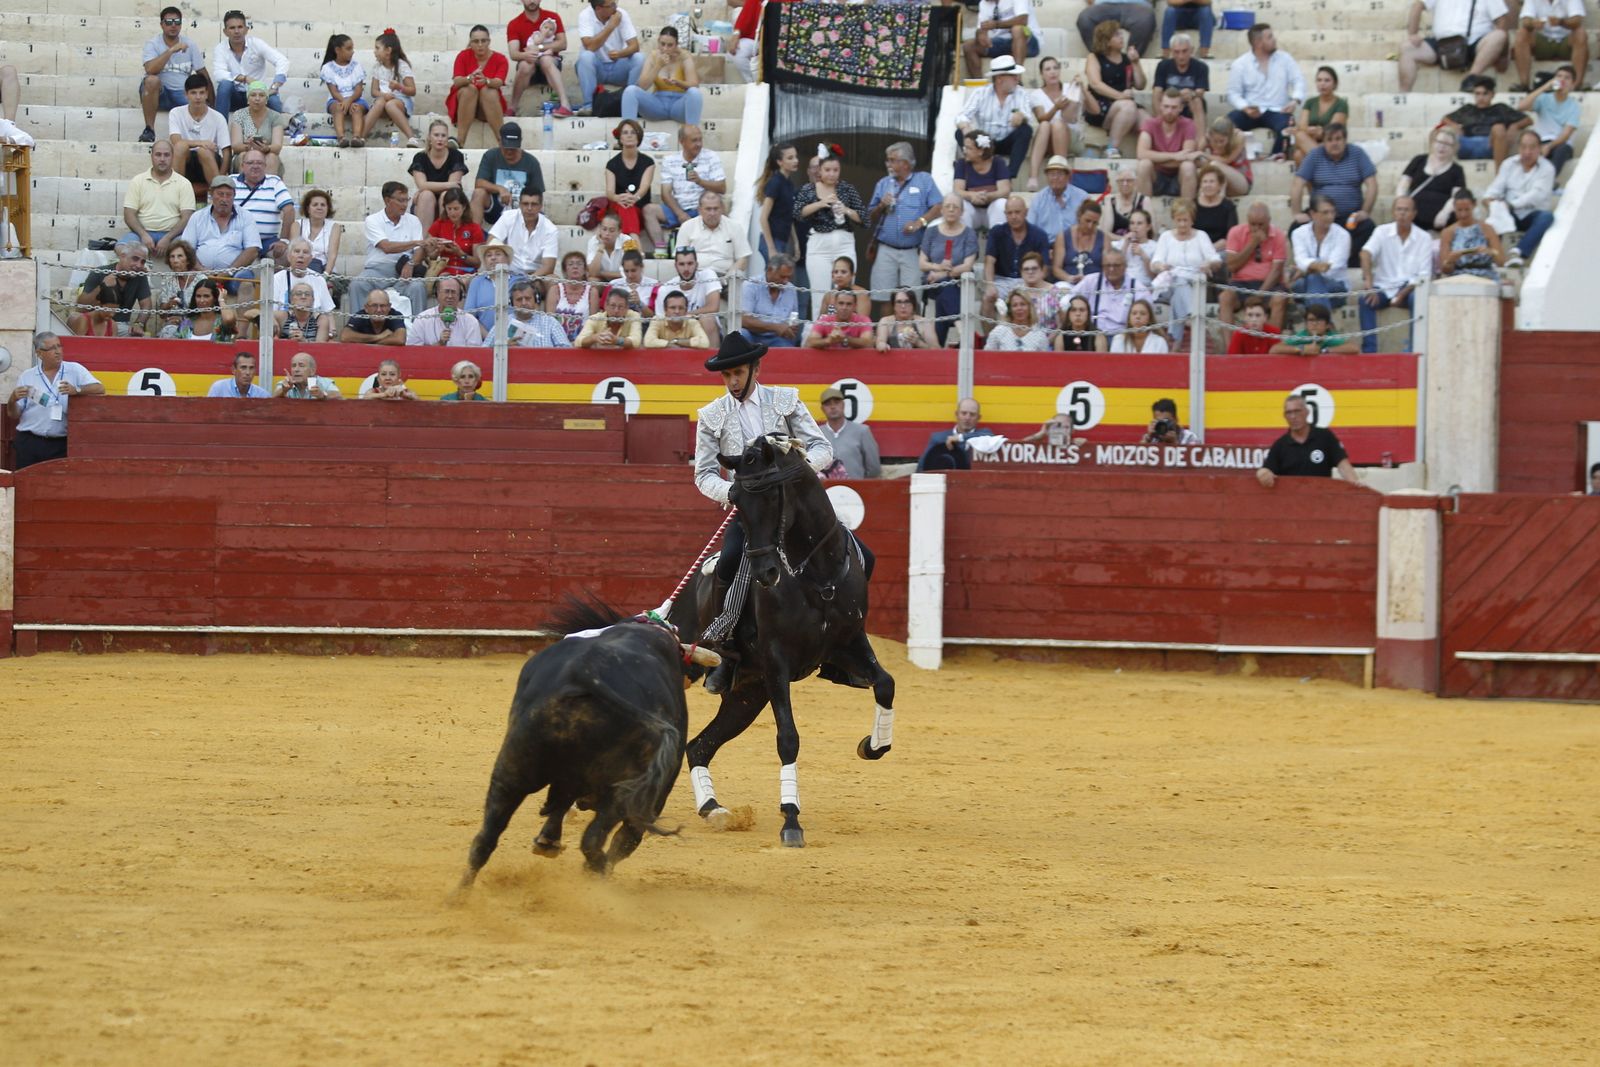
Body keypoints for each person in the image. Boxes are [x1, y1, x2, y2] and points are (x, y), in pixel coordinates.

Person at [693, 332, 833, 691]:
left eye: (738, 373)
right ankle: (726, 649)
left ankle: (845, 641)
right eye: (726, 376)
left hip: (798, 509)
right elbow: (704, 474)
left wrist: (797, 476)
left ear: (755, 368)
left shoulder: (786, 401)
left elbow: (821, 448)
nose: (733, 382)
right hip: (752, 514)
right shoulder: (711, 416)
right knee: (729, 562)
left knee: (858, 555)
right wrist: (735, 493)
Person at [5, 333, 105, 468]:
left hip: (60, 442)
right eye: (52, 348)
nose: (58, 351)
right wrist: (12, 399)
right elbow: (14, 414)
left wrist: (77, 390)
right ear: (39, 354)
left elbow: (99, 388)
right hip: (29, 441)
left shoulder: (74, 369)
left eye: (59, 346)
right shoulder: (27, 376)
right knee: (28, 484)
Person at [867, 143, 942, 316]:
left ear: (906, 163)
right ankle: (887, 338)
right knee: (885, 297)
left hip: (913, 250)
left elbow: (938, 206)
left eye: (893, 160)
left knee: (912, 297)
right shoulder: (883, 183)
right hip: (886, 249)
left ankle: (911, 338)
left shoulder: (924, 180)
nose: (888, 164)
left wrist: (920, 222)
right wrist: (880, 205)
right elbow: (868, 218)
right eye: (888, 160)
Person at [793, 145, 866, 319]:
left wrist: (846, 209)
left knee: (845, 293)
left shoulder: (847, 189)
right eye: (827, 170)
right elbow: (797, 212)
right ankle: (819, 331)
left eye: (835, 170)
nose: (832, 174)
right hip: (819, 243)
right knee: (819, 294)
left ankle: (846, 331)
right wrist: (821, 203)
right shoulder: (809, 189)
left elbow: (864, 218)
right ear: (820, 170)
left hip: (844, 242)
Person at [1290, 124, 1377, 264]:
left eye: (1338, 139)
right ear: (1324, 141)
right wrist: (1297, 212)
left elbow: (1372, 184)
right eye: (1329, 139)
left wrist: (1365, 211)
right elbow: (1298, 183)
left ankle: (1347, 263)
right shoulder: (1315, 155)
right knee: (1296, 227)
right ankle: (1312, 264)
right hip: (1320, 215)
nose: (1334, 143)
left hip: (1350, 217)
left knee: (1368, 227)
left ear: (1345, 140)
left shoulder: (1358, 154)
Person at [1358, 197, 1432, 353]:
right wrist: (1369, 283)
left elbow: (1424, 275)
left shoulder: (1424, 238)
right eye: (1399, 209)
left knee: (1416, 299)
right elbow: (1365, 253)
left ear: (1414, 213)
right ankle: (1369, 352)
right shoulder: (1381, 231)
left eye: (1406, 210)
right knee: (1365, 300)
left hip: (1410, 289)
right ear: (1393, 212)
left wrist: (1402, 294)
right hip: (1384, 287)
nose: (1402, 214)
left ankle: (1414, 349)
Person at [352, 181, 433, 318]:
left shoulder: (413, 220)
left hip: (404, 270)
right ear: (387, 200)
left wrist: (411, 263)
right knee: (357, 285)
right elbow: (386, 247)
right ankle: (357, 327)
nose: (404, 205)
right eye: (400, 200)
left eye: (406, 200)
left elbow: (419, 250)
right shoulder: (373, 220)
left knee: (418, 287)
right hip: (377, 271)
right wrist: (416, 242)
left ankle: (419, 332)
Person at [1225, 24, 1305, 158]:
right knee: (1226, 124)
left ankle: (1277, 157)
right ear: (1258, 43)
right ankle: (1228, 157)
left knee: (1286, 127)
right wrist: (1245, 108)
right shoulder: (1240, 64)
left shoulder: (1285, 59)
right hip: (1251, 110)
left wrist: (1295, 100)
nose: (1274, 40)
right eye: (1270, 37)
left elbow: (1299, 81)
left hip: (1278, 110)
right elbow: (1233, 93)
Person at [1399, 0, 1511, 93]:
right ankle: (1404, 94)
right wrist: (1413, 34)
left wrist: (1503, 54)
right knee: (1407, 48)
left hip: (1473, 44)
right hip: (1441, 44)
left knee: (1499, 35)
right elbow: (1417, 5)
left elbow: (1502, 20)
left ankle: (1472, 77)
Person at [1151, 198, 1220, 345]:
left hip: (1195, 283)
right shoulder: (1166, 237)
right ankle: (1192, 314)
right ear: (1173, 220)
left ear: (1192, 220)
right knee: (1179, 282)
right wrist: (1161, 266)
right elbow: (1155, 263)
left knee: (1179, 296)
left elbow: (1216, 259)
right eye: (1179, 220)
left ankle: (1175, 340)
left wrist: (1208, 263)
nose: (1182, 224)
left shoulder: (1201, 236)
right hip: (1171, 283)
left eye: (1185, 220)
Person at [1485, 129, 1557, 266]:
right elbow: (1496, 188)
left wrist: (1510, 205)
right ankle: (1494, 256)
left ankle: (1518, 252)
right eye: (1523, 147)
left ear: (1540, 148)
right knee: (1496, 209)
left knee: (1547, 217)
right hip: (1509, 212)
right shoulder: (1508, 164)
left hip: (1532, 213)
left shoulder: (1547, 168)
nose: (1527, 152)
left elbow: (1535, 196)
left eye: (1532, 147)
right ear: (1518, 148)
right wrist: (1489, 200)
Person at [1256, 392, 1358, 485]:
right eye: (1289, 413)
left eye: (1297, 411)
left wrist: (1356, 484)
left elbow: (1343, 465)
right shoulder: (1280, 445)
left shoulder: (1325, 436)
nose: (1293, 416)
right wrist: (1263, 474)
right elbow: (1267, 470)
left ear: (1307, 412)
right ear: (1284, 416)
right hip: (1292, 503)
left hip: (1322, 501)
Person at [957, 56, 1034, 177]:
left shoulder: (1021, 93)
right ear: (999, 79)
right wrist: (966, 128)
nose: (1017, 79)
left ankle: (1009, 174)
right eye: (1013, 76)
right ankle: (978, 168)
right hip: (985, 142)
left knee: (1025, 130)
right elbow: (962, 116)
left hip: (1008, 141)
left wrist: (1021, 117)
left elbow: (1028, 116)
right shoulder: (981, 93)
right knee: (959, 132)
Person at [139, 7, 207, 144]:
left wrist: (212, 101)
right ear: (161, 24)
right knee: (151, 81)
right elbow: (150, 69)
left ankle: (199, 137)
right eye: (169, 22)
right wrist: (171, 51)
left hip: (182, 95)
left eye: (177, 22)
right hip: (160, 94)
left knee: (197, 95)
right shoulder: (153, 44)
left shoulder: (190, 44)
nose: (173, 25)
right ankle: (149, 130)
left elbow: (203, 73)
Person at [1218, 201, 1288, 328]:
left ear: (1269, 221)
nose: (1256, 228)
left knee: (1279, 299)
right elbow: (1232, 266)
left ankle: (1271, 346)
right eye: (1253, 224)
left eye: (1261, 224)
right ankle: (1230, 348)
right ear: (1247, 221)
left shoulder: (1278, 235)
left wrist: (1260, 295)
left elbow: (1277, 271)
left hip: (1269, 284)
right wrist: (1253, 243)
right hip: (1241, 283)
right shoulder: (1235, 232)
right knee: (1225, 297)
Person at [920, 194, 979, 345]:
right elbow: (922, 264)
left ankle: (938, 346)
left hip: (959, 283)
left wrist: (941, 274)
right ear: (942, 210)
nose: (951, 210)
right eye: (947, 206)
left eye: (956, 207)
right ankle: (962, 329)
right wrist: (938, 267)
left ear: (962, 211)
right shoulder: (931, 232)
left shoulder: (969, 233)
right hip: (932, 282)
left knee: (945, 290)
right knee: (945, 287)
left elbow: (967, 266)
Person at [1083, 22, 1147, 158]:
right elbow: (1096, 84)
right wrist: (1120, 96)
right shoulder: (1094, 57)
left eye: (1121, 34)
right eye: (1117, 34)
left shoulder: (1126, 59)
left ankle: (1146, 154)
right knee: (1129, 106)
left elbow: (1141, 85)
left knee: (1148, 121)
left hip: (1123, 103)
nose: (1121, 37)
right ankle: (1111, 148)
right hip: (1100, 106)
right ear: (1106, 40)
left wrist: (1136, 63)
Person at [179, 175, 261, 280]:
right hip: (200, 274)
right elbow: (186, 248)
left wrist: (229, 272)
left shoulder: (246, 216)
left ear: (234, 196)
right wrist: (201, 269)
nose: (224, 199)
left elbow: (252, 249)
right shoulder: (197, 217)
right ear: (211, 194)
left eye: (228, 195)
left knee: (246, 280)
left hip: (234, 274)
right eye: (220, 194)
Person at [123, 142, 192, 260]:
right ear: (151, 156)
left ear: (172, 157)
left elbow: (187, 217)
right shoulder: (138, 181)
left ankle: (178, 279)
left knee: (186, 251)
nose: (162, 159)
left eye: (166, 155)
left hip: (174, 235)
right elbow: (128, 214)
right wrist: (143, 235)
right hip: (142, 233)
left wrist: (168, 238)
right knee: (121, 249)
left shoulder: (184, 183)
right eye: (158, 155)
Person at [211, 10, 288, 115]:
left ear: (246, 29)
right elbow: (219, 73)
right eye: (232, 28)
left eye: (240, 27)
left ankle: (276, 129)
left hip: (257, 94)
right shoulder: (220, 48)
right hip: (236, 96)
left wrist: (275, 86)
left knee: (274, 102)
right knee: (224, 85)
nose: (237, 31)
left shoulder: (256, 44)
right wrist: (244, 78)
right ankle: (221, 128)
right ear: (225, 31)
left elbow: (282, 60)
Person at [575, 0, 645, 115]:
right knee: (585, 57)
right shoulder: (585, 15)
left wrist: (620, 54)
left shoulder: (621, 14)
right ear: (598, 8)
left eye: (615, 3)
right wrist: (611, 26)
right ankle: (589, 105)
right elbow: (590, 47)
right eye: (611, 5)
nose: (615, 7)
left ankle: (630, 102)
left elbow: (635, 46)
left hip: (618, 66)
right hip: (597, 69)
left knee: (639, 58)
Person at [986, 196, 1053, 315]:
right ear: (1005, 214)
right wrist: (990, 285)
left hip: (1028, 280)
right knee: (988, 298)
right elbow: (989, 261)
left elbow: (1045, 267)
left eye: (1017, 212)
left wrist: (1032, 283)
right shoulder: (996, 232)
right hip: (1002, 281)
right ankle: (990, 334)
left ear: (1026, 212)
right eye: (1009, 213)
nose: (1013, 216)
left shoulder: (1039, 235)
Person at [623, 26, 702, 126]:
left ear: (676, 45)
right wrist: (658, 66)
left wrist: (678, 83)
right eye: (662, 44)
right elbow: (642, 86)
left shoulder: (684, 56)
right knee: (630, 91)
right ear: (658, 42)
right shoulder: (653, 56)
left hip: (678, 104)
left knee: (694, 93)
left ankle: (693, 133)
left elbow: (694, 85)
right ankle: (628, 131)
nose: (665, 48)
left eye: (670, 45)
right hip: (657, 103)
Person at [1026, 58, 1086, 188]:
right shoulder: (1036, 94)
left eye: (1055, 68)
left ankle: (1061, 173)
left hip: (1071, 138)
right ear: (1041, 74)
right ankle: (1033, 176)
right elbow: (1041, 118)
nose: (1052, 72)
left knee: (1058, 124)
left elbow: (1093, 109)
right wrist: (1056, 107)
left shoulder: (1070, 88)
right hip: (1048, 141)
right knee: (1045, 125)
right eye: (1048, 69)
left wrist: (1083, 88)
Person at [508, 0, 573, 117]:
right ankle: (512, 107)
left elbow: (563, 44)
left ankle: (565, 105)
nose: (532, 1)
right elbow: (513, 53)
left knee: (546, 60)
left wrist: (539, 47)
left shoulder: (552, 18)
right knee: (525, 64)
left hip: (550, 63)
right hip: (529, 65)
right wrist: (525, 55)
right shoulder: (514, 24)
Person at [1397, 126, 1469, 231]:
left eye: (1447, 144)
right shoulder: (1419, 160)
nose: (1442, 147)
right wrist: (1402, 202)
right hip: (1413, 216)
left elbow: (1456, 196)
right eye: (1439, 142)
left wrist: (1444, 213)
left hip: (1441, 220)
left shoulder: (1457, 170)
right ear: (1433, 143)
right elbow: (1403, 184)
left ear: (1454, 148)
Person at [472, 123, 544, 228]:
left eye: (513, 148)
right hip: (496, 207)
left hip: (523, 208)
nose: (509, 152)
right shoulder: (490, 156)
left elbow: (538, 193)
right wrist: (499, 189)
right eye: (506, 148)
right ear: (499, 141)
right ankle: (474, 236)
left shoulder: (531, 162)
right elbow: (479, 182)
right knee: (478, 193)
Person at [657, 125, 728, 232]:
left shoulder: (711, 157)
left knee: (717, 207)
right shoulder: (669, 160)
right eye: (694, 141)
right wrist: (680, 214)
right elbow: (665, 194)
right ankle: (660, 247)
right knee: (649, 211)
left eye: (700, 139)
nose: (699, 144)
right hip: (678, 208)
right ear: (682, 141)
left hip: (703, 208)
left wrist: (700, 181)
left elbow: (722, 188)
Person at [1514, 65, 1580, 178]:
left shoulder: (1574, 106)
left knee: (1561, 150)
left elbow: (1566, 134)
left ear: (1573, 84)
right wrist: (1545, 87)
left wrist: (1549, 146)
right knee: (1529, 149)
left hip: (1559, 144)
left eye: (1567, 78)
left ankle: (1549, 181)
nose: (1562, 80)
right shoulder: (1544, 98)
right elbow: (1521, 106)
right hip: (1540, 142)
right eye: (1559, 76)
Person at [71, 246, 152, 337]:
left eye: (143, 262)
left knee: (142, 337)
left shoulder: (140, 276)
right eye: (135, 259)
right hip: (96, 322)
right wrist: (102, 286)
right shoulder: (100, 272)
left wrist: (139, 324)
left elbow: (146, 305)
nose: (139, 265)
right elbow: (81, 308)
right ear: (122, 256)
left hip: (122, 326)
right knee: (73, 318)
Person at [608, 119, 664, 252]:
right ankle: (636, 248)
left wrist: (635, 198)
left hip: (639, 205)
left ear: (638, 137)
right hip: (618, 206)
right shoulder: (612, 164)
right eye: (625, 132)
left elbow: (644, 186)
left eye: (633, 132)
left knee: (629, 207)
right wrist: (620, 198)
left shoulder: (648, 162)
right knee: (626, 207)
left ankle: (633, 247)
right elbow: (609, 192)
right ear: (620, 138)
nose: (629, 135)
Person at [232, 148, 293, 267]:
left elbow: (289, 210)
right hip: (236, 241)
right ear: (242, 166)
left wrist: (284, 240)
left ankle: (279, 286)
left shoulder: (274, 182)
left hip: (266, 241)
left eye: (259, 163)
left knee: (285, 256)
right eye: (250, 163)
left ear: (265, 166)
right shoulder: (231, 181)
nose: (255, 166)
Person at [1444, 76, 1525, 165]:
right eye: (1477, 94)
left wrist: (1515, 125)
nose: (1481, 98)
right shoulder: (1467, 109)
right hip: (1467, 144)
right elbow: (1445, 119)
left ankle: (1500, 175)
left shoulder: (1501, 108)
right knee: (1438, 133)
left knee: (1498, 128)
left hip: (1490, 144)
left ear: (1492, 94)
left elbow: (1528, 120)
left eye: (1485, 94)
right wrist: (1455, 126)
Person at [1288, 196, 1353, 308]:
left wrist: (1305, 270)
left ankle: (1312, 314)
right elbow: (1301, 260)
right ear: (1312, 214)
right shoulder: (1298, 233)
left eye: (1333, 212)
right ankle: (1321, 320)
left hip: (1336, 286)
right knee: (1303, 285)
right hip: (1305, 285)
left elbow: (1331, 269)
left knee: (1312, 282)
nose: (1330, 216)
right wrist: (1315, 266)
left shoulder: (1343, 235)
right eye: (1325, 213)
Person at [449, 26, 508, 147]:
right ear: (470, 43)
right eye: (476, 41)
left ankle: (503, 142)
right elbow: (457, 81)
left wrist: (486, 81)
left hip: (487, 105)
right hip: (465, 102)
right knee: (469, 89)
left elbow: (499, 82)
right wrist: (469, 78)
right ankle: (460, 141)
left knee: (489, 91)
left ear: (489, 42)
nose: (480, 45)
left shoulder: (500, 59)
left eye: (483, 41)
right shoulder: (463, 56)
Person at [1512, 0, 1588, 92]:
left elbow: (1577, 20)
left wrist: (1561, 22)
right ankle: (1524, 84)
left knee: (1580, 33)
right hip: (1542, 39)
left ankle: (1576, 85)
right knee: (1522, 34)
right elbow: (1526, 20)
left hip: (1566, 40)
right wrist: (1533, 23)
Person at [168, 72, 231, 184]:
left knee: (204, 151)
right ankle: (175, 190)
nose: (198, 97)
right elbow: (175, 141)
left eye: (201, 93)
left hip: (210, 160)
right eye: (193, 93)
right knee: (180, 147)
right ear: (186, 94)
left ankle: (217, 187)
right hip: (185, 160)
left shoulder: (218, 117)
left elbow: (226, 151)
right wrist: (201, 143)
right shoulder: (176, 113)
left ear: (207, 94)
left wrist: (222, 177)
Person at [1071, 247, 1149, 335]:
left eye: (1116, 265)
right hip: (1093, 335)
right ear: (1102, 266)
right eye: (1108, 265)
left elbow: (1148, 315)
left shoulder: (1137, 287)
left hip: (1124, 337)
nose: (1111, 269)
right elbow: (1069, 300)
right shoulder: (1091, 281)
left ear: (1125, 266)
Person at [1135, 92, 1199, 198]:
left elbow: (1187, 157)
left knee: (1188, 166)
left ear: (1181, 108)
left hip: (1179, 177)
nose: (1169, 111)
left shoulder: (1188, 124)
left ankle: (1187, 212)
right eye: (1166, 106)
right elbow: (1141, 153)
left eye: (1174, 107)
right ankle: (1144, 211)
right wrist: (1174, 156)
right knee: (1144, 165)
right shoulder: (1150, 124)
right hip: (1156, 177)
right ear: (1160, 106)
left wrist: (1156, 159)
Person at [410, 119, 469, 233]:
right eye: (436, 135)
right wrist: (448, 184)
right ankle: (424, 243)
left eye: (443, 135)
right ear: (429, 138)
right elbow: (422, 185)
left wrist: (427, 186)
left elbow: (453, 189)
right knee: (426, 195)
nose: (440, 139)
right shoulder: (420, 157)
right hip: (425, 201)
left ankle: (446, 239)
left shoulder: (456, 156)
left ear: (447, 138)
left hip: (448, 200)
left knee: (445, 195)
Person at [675, 191, 750, 280]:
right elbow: (679, 257)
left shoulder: (735, 227)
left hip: (725, 278)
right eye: (708, 209)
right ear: (699, 210)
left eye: (716, 208)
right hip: (695, 278)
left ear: (722, 208)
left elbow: (743, 258)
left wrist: (730, 276)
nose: (712, 213)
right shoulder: (687, 227)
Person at [487, 187, 560, 279]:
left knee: (553, 279)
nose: (529, 208)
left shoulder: (550, 229)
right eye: (525, 204)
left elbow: (548, 266)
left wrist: (527, 280)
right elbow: (491, 243)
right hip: (507, 273)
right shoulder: (508, 217)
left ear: (541, 206)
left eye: (534, 204)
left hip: (535, 276)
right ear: (520, 205)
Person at [362, 31, 418, 145]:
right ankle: (360, 137)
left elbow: (412, 90)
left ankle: (411, 138)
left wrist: (399, 87)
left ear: (388, 50)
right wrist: (384, 95)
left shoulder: (401, 65)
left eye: (377, 48)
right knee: (380, 102)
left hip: (400, 103)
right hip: (383, 101)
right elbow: (374, 91)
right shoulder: (377, 67)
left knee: (390, 104)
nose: (375, 51)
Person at [657, 247, 723, 343]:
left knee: (707, 318)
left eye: (690, 263)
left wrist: (686, 315)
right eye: (682, 264)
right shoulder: (665, 289)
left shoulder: (708, 275)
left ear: (697, 264)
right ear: (675, 266)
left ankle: (712, 358)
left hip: (705, 329)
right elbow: (660, 319)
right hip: (677, 331)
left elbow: (713, 307)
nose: (686, 269)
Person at [916, 397, 1000, 472]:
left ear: (978, 418)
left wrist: (961, 437)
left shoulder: (984, 435)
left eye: (972, 414)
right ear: (957, 414)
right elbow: (922, 466)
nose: (967, 418)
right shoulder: (938, 438)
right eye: (964, 413)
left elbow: (990, 436)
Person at [1438, 189, 1505, 281]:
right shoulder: (1448, 232)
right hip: (1458, 277)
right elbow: (1445, 269)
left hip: (1485, 276)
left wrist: (1491, 252)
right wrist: (1450, 260)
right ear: (1454, 208)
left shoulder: (1487, 229)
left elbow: (1501, 262)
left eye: (1467, 209)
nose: (1463, 214)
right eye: (1459, 210)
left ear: (1474, 205)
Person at [952, 131, 1013, 231]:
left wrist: (987, 196)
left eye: (969, 148)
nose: (964, 151)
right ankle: (965, 243)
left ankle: (998, 242)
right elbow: (957, 190)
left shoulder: (998, 162)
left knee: (1001, 203)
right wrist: (972, 195)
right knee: (961, 204)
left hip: (992, 211)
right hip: (973, 212)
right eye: (964, 147)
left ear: (981, 151)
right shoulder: (961, 164)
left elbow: (1005, 191)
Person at [964, 0, 1043, 77]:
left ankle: (1016, 78)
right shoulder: (984, 3)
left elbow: (1023, 20)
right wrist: (980, 35)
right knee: (969, 46)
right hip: (1002, 43)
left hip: (1029, 42)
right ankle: (979, 84)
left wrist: (996, 24)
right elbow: (980, 28)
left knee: (1017, 29)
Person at [818, 385, 882, 479]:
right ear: (822, 409)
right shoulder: (817, 433)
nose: (833, 407)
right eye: (828, 404)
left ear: (843, 405)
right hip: (824, 490)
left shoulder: (862, 431)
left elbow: (874, 469)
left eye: (836, 402)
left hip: (856, 490)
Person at [739, 255, 803, 348]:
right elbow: (743, 320)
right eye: (782, 276)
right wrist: (776, 327)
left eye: (789, 277)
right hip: (752, 334)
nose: (786, 281)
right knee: (742, 335)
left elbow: (793, 319)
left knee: (789, 349)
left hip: (777, 338)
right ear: (769, 270)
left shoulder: (791, 289)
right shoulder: (750, 285)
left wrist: (791, 328)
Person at [407, 275, 486, 347]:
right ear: (437, 294)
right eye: (446, 291)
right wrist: (439, 344)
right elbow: (413, 352)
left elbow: (474, 353)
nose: (450, 296)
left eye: (454, 292)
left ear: (460, 296)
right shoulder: (422, 319)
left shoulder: (470, 321)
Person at [229, 82, 289, 176]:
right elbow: (236, 146)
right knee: (244, 156)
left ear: (266, 99)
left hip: (267, 153)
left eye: (261, 95)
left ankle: (268, 189)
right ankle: (246, 189)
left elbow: (277, 146)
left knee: (272, 157)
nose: (257, 99)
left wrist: (266, 148)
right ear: (248, 99)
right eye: (253, 95)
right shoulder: (239, 115)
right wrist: (249, 146)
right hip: (245, 152)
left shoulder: (275, 116)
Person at [1293, 67, 1349, 166]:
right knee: (1299, 138)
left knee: (1299, 154)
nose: (1322, 84)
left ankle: (1323, 165)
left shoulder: (1341, 103)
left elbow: (1333, 131)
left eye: (1327, 80)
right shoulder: (1310, 102)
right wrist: (1316, 132)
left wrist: (1318, 132)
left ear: (1335, 84)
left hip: (1331, 143)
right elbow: (1302, 127)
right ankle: (1325, 165)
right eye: (1319, 80)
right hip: (1311, 142)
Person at [1153, 34, 1210, 132]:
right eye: (1177, 52)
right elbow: (1157, 91)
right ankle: (1161, 127)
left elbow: (1200, 92)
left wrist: (1191, 94)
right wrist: (1176, 97)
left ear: (1191, 50)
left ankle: (1199, 139)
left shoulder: (1201, 67)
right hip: (1170, 104)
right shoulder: (1163, 66)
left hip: (1189, 104)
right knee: (1157, 96)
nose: (1181, 56)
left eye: (1184, 51)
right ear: (1171, 51)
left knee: (1197, 101)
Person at [320, 34, 368, 148]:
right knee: (338, 108)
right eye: (348, 49)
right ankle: (341, 138)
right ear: (337, 50)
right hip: (336, 99)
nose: (352, 52)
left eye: (352, 48)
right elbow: (334, 92)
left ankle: (357, 137)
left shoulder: (356, 66)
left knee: (356, 109)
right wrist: (344, 102)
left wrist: (350, 101)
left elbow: (358, 90)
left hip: (356, 99)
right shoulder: (327, 68)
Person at [1026, 156, 1089, 240]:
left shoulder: (1082, 197)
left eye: (1060, 174)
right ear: (1047, 177)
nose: (1055, 178)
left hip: (1074, 245)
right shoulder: (1038, 199)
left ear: (1068, 176)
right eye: (1052, 174)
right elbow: (1030, 228)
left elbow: (1089, 227)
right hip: (1046, 245)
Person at [757, 141, 799, 260]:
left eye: (796, 157)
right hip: (773, 240)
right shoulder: (775, 182)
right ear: (780, 162)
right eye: (790, 158)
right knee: (774, 277)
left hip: (783, 240)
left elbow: (788, 216)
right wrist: (771, 248)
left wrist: (795, 243)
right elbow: (763, 218)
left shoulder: (789, 183)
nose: (795, 161)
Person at [427, 188, 484, 276]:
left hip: (466, 272)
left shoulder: (474, 228)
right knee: (445, 280)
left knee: (463, 281)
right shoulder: (438, 224)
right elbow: (429, 257)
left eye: (456, 208)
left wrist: (460, 253)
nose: (452, 212)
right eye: (449, 209)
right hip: (444, 270)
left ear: (464, 207)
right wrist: (437, 251)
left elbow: (477, 263)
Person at [274, 231, 335, 312]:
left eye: (305, 252)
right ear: (288, 256)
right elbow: (272, 313)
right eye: (297, 251)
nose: (301, 255)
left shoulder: (319, 279)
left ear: (310, 258)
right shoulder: (277, 279)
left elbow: (328, 312)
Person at [157, 278, 236, 340]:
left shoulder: (222, 320)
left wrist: (221, 300)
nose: (201, 300)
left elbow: (229, 319)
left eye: (206, 296)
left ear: (215, 298)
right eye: (198, 296)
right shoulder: (187, 322)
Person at [499, 279, 570, 346]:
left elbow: (566, 349)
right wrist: (504, 347)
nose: (524, 303)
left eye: (527, 298)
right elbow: (488, 348)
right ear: (511, 303)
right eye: (519, 299)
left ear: (536, 300)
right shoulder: (503, 323)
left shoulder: (550, 322)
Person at [1269, 303, 1361, 354]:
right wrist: (1301, 349)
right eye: (1311, 320)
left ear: (1328, 325)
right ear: (1306, 324)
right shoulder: (1303, 335)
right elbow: (1274, 349)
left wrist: (1324, 351)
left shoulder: (1330, 336)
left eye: (1319, 320)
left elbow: (1354, 348)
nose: (1314, 324)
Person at [550, 251, 600, 342]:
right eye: (570, 264)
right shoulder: (555, 289)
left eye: (579, 264)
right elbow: (549, 321)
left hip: (583, 342)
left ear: (585, 270)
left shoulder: (592, 292)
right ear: (565, 270)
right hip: (557, 342)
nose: (575, 267)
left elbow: (594, 324)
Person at [1053, 199, 1105, 284]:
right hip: (1068, 282)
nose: (1090, 226)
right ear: (1079, 216)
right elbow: (1056, 268)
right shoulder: (1063, 236)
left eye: (1095, 223)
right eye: (1087, 221)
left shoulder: (1103, 238)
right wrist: (1069, 278)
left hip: (1094, 284)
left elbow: (1108, 267)